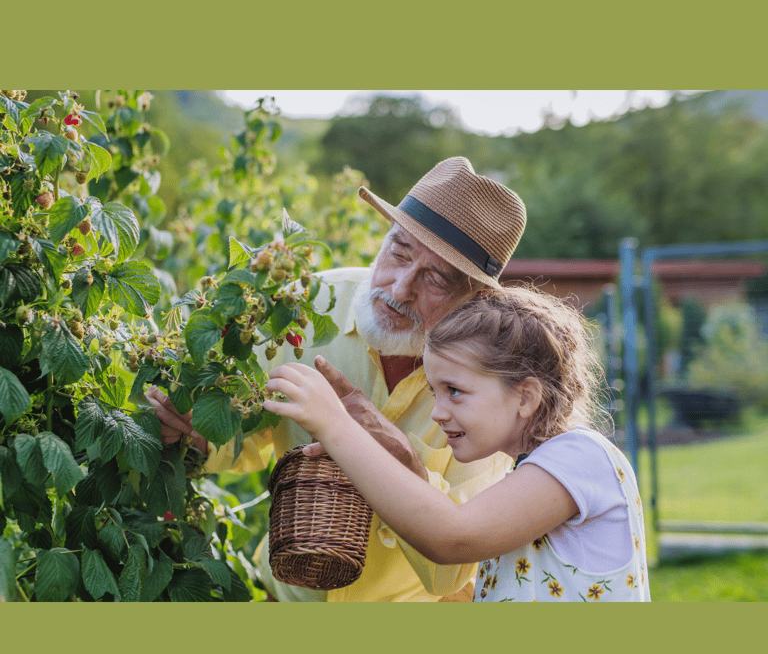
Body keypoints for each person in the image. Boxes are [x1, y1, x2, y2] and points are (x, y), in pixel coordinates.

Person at [147, 156, 529, 602]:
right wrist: (192, 432)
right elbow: (240, 443)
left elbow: (459, 565)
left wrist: (399, 460)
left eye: (436, 280)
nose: (400, 287)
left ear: (474, 299)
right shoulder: (306, 308)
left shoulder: (492, 380)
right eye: (399, 251)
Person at [264, 286, 651, 602]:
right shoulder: (531, 475)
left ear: (525, 397)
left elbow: (451, 537)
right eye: (435, 392)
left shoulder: (581, 457)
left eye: (455, 391)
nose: (438, 412)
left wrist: (335, 426)